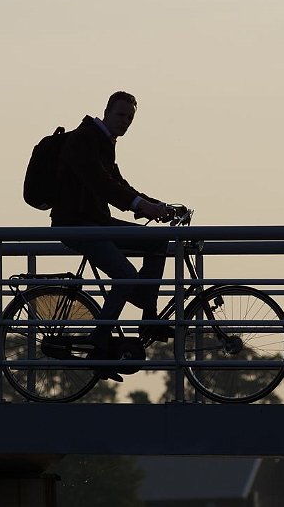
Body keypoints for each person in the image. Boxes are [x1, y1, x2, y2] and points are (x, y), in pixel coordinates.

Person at [51, 92, 176, 380]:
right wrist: (139, 205)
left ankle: (149, 316)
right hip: (76, 225)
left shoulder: (103, 141)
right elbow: (101, 182)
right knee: (126, 275)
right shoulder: (84, 139)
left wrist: (155, 205)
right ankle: (98, 343)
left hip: (96, 222)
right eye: (121, 115)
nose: (126, 122)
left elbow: (118, 182)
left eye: (130, 118)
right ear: (106, 111)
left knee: (156, 240)